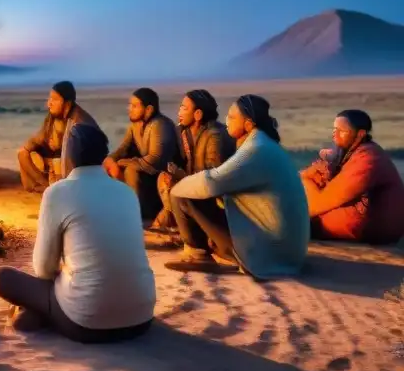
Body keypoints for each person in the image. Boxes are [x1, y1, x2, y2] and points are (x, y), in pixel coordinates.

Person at [0, 124, 156, 342]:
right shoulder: (126, 192)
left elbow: (43, 270)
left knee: (2, 277)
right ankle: (40, 313)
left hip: (86, 324)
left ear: (67, 157)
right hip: (141, 319)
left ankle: (39, 314)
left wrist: (65, 270)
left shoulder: (57, 192)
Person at [167, 94, 309, 278]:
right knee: (199, 191)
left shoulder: (256, 149)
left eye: (233, 117)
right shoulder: (265, 144)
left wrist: (175, 188)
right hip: (286, 251)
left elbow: (211, 182)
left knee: (185, 194)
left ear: (248, 124)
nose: (226, 120)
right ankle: (211, 245)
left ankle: (197, 254)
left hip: (268, 253)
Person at [300, 110, 404, 245]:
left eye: (342, 131)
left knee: (292, 221)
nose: (335, 135)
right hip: (357, 221)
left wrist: (304, 182)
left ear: (360, 134)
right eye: (334, 129)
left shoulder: (368, 159)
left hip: (371, 227)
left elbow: (321, 202)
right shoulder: (349, 152)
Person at [153, 89, 235, 232]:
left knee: (181, 191)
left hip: (217, 200)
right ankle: (177, 224)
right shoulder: (183, 132)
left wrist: (181, 176)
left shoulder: (215, 136)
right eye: (180, 107)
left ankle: (196, 240)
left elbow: (213, 180)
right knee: (164, 178)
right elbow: (171, 159)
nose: (179, 112)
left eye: (184, 108)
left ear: (198, 114)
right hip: (194, 184)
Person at [103, 87, 177, 221]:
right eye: (129, 105)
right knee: (107, 168)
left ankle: (137, 214)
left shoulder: (160, 125)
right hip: (145, 178)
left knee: (131, 171)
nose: (129, 108)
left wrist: (121, 163)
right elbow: (123, 149)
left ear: (149, 109)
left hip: (162, 181)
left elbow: (155, 160)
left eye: (135, 106)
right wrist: (109, 161)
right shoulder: (135, 126)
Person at [17, 81, 98, 193]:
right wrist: (30, 146)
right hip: (54, 161)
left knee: (60, 161)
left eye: (54, 99)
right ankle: (44, 186)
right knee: (23, 153)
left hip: (74, 168)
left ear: (67, 104)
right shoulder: (52, 117)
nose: (49, 104)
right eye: (49, 99)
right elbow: (39, 138)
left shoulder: (79, 122)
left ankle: (55, 188)